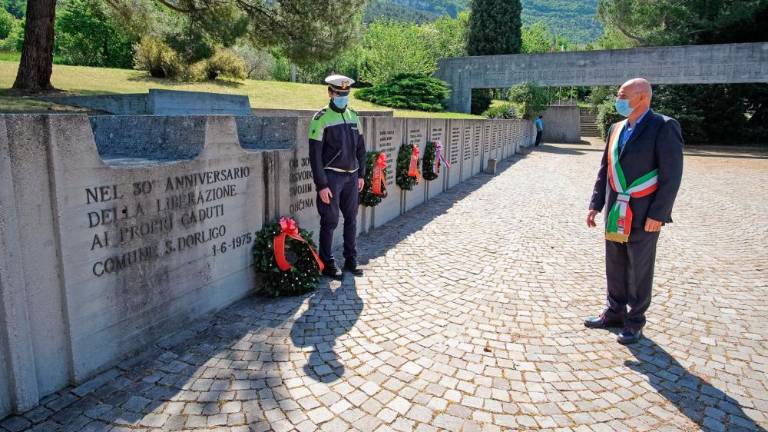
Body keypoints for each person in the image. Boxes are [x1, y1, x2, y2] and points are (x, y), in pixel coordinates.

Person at [585, 78, 683, 345]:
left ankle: (635, 320)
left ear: (642, 97)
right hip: (617, 211)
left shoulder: (663, 127)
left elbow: (671, 175)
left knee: (639, 268)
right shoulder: (616, 129)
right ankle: (614, 312)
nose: (619, 100)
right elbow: (605, 170)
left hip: (643, 214)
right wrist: (595, 205)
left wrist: (658, 214)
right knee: (615, 263)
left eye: (622, 95)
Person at [308, 74, 366, 280]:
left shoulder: (353, 116)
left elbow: (361, 148)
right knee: (330, 221)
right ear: (330, 93)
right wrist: (321, 185)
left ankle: (351, 260)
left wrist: (362, 174)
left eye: (346, 93)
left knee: (351, 219)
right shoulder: (321, 118)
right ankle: (327, 263)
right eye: (339, 93)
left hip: (352, 177)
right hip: (331, 178)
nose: (343, 97)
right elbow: (315, 155)